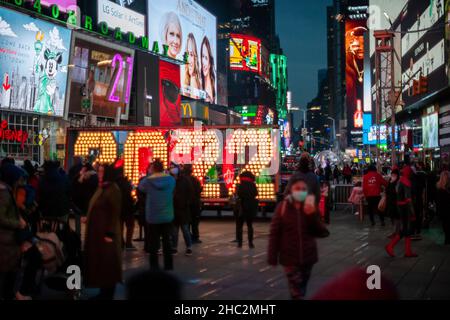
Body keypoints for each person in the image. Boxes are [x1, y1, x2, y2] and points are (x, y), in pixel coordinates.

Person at [268, 176, 329, 300]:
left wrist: (312, 215)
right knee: (296, 291)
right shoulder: (282, 207)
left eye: (303, 189)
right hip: (289, 257)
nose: (300, 191)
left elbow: (322, 232)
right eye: (297, 188)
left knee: (301, 287)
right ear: (291, 189)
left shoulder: (310, 205)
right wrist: (272, 256)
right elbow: (274, 233)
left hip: (308, 256)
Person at [84, 164, 122, 300]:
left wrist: (110, 233)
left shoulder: (112, 189)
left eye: (101, 172)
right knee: (101, 262)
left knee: (108, 263)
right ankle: (103, 291)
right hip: (98, 232)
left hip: (106, 233)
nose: (99, 174)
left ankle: (108, 293)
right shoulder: (103, 188)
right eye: (99, 171)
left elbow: (115, 211)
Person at [138, 159, 176, 271]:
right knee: (167, 242)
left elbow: (140, 187)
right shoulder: (170, 180)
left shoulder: (148, 181)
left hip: (152, 216)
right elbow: (173, 188)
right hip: (167, 215)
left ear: (153, 169)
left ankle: (154, 267)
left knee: (153, 244)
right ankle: (168, 266)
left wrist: (149, 174)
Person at [0, 164, 29, 300]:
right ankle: (11, 294)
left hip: (7, 239)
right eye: (17, 178)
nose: (19, 181)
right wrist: (18, 223)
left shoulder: (6, 189)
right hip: (6, 240)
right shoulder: (4, 193)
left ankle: (11, 293)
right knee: (10, 270)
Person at [385, 165, 418, 258]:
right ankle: (391, 246)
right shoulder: (406, 182)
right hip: (405, 208)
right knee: (406, 229)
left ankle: (407, 251)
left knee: (406, 230)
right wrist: (413, 213)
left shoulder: (400, 181)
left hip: (399, 206)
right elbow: (408, 199)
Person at [170, 163, 193, 256]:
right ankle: (174, 247)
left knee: (185, 230)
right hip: (173, 208)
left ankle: (189, 247)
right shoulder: (170, 180)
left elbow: (190, 192)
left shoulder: (184, 180)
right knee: (174, 231)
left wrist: (186, 203)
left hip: (183, 209)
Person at [71, 163, 98, 235]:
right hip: (86, 204)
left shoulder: (91, 177)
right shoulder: (93, 176)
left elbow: (75, 184)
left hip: (83, 204)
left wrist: (82, 176)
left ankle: (80, 238)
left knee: (82, 222)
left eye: (83, 169)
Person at [115, 163, 136, 251]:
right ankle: (128, 243)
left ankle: (120, 243)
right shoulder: (127, 183)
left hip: (118, 208)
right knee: (130, 226)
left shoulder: (114, 183)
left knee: (119, 227)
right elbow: (130, 195)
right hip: (128, 208)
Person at [235, 171, 258, 249]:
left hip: (241, 207)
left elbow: (238, 194)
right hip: (250, 207)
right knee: (250, 225)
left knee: (239, 226)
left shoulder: (240, 185)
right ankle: (250, 243)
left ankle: (240, 243)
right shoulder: (252, 185)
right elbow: (256, 193)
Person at [184, 165, 203, 244]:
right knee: (195, 222)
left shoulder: (182, 180)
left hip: (186, 204)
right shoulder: (195, 180)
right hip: (195, 203)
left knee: (187, 222)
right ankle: (195, 237)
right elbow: (199, 190)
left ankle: (188, 237)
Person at [411, 162, 427, 240]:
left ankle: (414, 231)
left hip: (414, 200)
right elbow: (423, 190)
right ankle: (417, 231)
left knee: (414, 215)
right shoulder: (422, 176)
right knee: (418, 215)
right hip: (418, 199)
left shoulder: (412, 179)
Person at [184, 33, 201, 99]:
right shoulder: (185, 78)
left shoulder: (196, 80)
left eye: (191, 54)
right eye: (187, 54)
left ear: (195, 57)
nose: (189, 60)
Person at [436, 170, 450, 245]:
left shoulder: (440, 188)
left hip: (444, 210)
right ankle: (447, 239)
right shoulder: (442, 189)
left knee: (446, 225)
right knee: (446, 225)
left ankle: (447, 239)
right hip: (446, 210)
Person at [200, 36, 216, 103]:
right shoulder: (199, 87)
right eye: (202, 56)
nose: (203, 61)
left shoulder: (215, 90)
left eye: (206, 58)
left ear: (210, 62)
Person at [386, 168, 400, 238]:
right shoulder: (390, 181)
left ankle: (396, 232)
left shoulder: (398, 182)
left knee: (396, 217)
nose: (393, 176)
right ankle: (395, 231)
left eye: (394, 174)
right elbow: (387, 190)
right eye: (392, 174)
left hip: (396, 202)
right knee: (392, 217)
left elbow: (398, 192)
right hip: (390, 202)